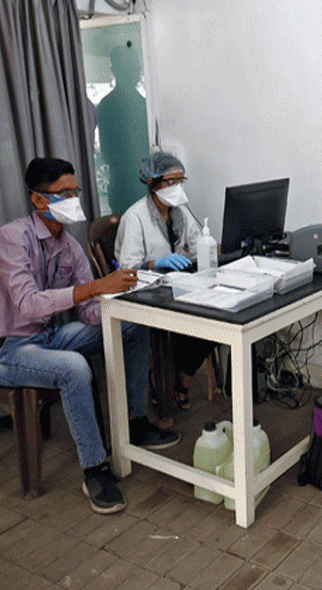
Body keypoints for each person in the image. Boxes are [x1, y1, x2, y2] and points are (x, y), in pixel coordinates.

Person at [0, 157, 179, 514]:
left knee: (131, 327)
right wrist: (95, 288)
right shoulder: (12, 238)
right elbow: (27, 305)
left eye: (76, 191)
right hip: (8, 349)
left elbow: (87, 310)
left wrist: (122, 303)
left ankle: (135, 422)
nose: (74, 199)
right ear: (38, 200)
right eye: (63, 194)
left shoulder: (68, 245)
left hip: (49, 336)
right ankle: (95, 469)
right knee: (74, 368)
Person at [114, 151, 216, 423]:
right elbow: (127, 268)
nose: (177, 188)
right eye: (170, 182)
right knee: (191, 321)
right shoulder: (135, 217)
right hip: (147, 293)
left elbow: (196, 245)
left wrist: (207, 251)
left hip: (180, 287)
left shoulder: (180, 213)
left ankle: (180, 379)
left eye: (180, 181)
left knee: (214, 319)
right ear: (152, 183)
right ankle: (163, 384)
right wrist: (156, 263)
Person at [97, 44, 149, 215]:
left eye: (136, 67)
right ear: (115, 71)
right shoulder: (107, 106)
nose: (134, 72)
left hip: (143, 186)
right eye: (129, 67)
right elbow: (109, 153)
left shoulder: (145, 104)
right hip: (124, 189)